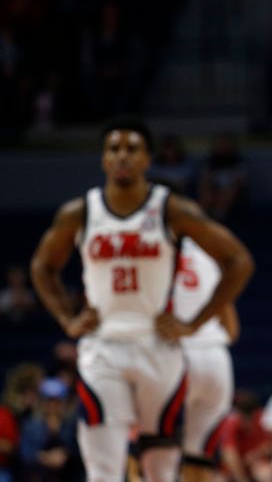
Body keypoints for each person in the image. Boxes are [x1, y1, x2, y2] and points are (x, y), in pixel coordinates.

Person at [29, 118, 255, 482]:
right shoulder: (80, 212)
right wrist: (66, 318)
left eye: (132, 149)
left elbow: (239, 260)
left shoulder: (172, 210)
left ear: (147, 159)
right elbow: (41, 266)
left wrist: (193, 323)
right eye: (114, 149)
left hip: (160, 349)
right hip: (103, 346)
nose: (122, 156)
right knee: (105, 470)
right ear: (103, 158)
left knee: (161, 472)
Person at [172, 236, 240, 481]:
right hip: (215, 357)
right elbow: (232, 330)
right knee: (199, 459)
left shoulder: (152, 245)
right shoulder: (208, 252)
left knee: (154, 453)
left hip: (174, 355)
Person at [18, 377, 81, 481]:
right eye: (48, 402)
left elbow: (79, 453)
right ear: (42, 403)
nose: (52, 406)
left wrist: (64, 453)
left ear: (64, 404)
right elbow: (24, 454)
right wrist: (44, 458)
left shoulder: (73, 425)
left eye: (57, 402)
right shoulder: (31, 424)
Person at [219, 389, 272, 482]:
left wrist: (256, 454)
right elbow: (229, 455)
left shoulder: (265, 419)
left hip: (258, 464)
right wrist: (242, 479)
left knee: (265, 473)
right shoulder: (230, 423)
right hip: (236, 469)